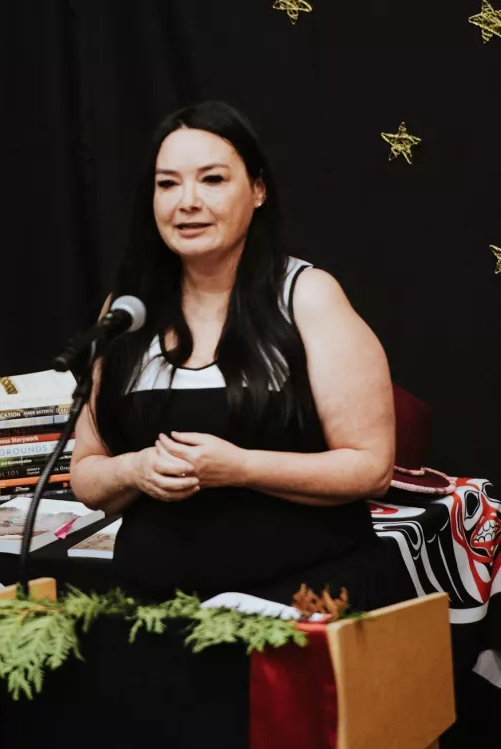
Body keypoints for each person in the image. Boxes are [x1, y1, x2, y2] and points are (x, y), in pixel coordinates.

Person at [72, 100, 413, 610]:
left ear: (257, 190)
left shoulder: (308, 296)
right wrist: (136, 470)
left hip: (303, 606)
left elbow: (370, 467)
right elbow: (86, 472)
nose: (186, 201)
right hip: (156, 614)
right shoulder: (129, 311)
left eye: (212, 179)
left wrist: (242, 467)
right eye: (167, 184)